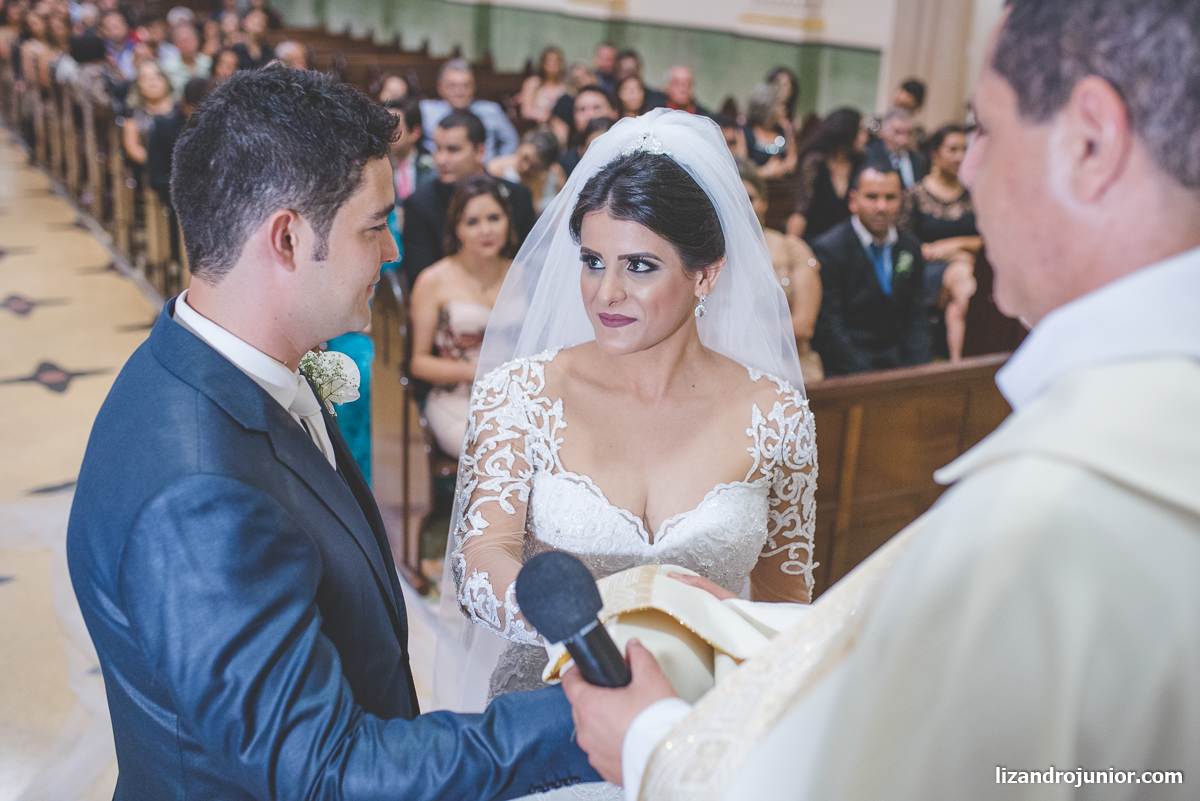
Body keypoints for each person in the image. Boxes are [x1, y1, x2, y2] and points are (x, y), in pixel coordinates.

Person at [568, 3, 1200, 799]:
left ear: (1090, 144)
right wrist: (749, 624)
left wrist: (652, 743)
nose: (965, 170)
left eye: (985, 131)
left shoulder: (1047, 513)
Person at [66, 65, 597, 801]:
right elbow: (327, 770)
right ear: (286, 237)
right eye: (375, 226)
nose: (393, 253)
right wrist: (581, 717)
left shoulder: (202, 360)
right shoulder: (200, 494)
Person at [432, 111, 816, 801]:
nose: (606, 293)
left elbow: (788, 603)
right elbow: (479, 559)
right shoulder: (520, 393)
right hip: (548, 715)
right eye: (592, 261)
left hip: (700, 728)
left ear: (707, 274)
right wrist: (599, 616)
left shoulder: (776, 415)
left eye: (639, 266)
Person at [409, 176, 516, 456]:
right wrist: (476, 371)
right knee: (494, 453)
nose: (486, 230)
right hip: (455, 401)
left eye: (494, 218)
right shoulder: (433, 280)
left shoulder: (523, 275)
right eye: (472, 222)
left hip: (516, 400)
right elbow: (418, 362)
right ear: (457, 228)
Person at [808, 163, 930, 375]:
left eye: (890, 197)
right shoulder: (829, 249)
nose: (881, 206)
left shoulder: (910, 246)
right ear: (853, 201)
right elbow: (830, 327)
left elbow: (917, 316)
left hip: (898, 360)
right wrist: (870, 377)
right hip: (847, 366)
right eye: (872, 197)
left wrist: (916, 369)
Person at [402, 109, 535, 286]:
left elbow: (531, 263)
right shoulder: (420, 204)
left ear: (480, 151)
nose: (441, 159)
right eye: (438, 148)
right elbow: (419, 277)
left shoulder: (517, 196)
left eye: (453, 150)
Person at [900, 124, 981, 362]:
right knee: (961, 274)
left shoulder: (972, 195)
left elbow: (987, 241)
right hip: (926, 272)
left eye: (964, 149)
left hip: (968, 269)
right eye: (953, 149)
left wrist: (954, 246)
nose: (960, 156)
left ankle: (958, 368)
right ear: (935, 154)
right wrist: (956, 255)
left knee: (957, 310)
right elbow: (908, 246)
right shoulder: (915, 195)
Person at [739, 160, 822, 384]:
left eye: (750, 198)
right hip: (731, 367)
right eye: (733, 198)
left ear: (764, 202)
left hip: (791, 363)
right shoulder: (708, 257)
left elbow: (804, 325)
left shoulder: (792, 248)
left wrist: (736, 334)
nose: (742, 206)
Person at [786, 107, 867, 241]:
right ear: (847, 132)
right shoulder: (815, 161)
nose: (865, 137)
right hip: (815, 239)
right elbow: (801, 210)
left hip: (845, 241)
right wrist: (792, 246)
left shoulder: (860, 162)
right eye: (861, 131)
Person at [420, 58, 518, 162]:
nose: (460, 92)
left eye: (466, 85)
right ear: (440, 87)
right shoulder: (425, 110)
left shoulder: (491, 110)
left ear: (474, 87)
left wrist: (500, 165)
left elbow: (511, 140)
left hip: (483, 172)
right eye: (453, 86)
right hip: (439, 171)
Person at [488, 129, 565, 215]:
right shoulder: (496, 170)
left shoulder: (555, 174)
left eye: (535, 167)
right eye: (525, 158)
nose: (525, 168)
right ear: (520, 145)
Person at [121, 60, 177, 168]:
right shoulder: (133, 113)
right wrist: (159, 162)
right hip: (150, 171)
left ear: (166, 80)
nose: (152, 82)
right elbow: (132, 148)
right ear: (138, 85)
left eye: (157, 76)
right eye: (145, 78)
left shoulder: (180, 107)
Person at [741, 82, 796, 179]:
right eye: (781, 105)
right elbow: (742, 170)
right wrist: (768, 171)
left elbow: (792, 163)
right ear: (768, 107)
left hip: (782, 188)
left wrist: (780, 168)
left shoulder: (783, 131)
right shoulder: (746, 131)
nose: (785, 109)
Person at [558, 86, 616, 176]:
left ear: (613, 112)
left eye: (596, 107)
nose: (590, 115)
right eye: (582, 109)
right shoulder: (565, 162)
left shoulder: (630, 149)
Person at [865, 107, 928, 189]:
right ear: (884, 132)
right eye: (898, 132)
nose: (904, 140)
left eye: (908, 133)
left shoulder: (919, 159)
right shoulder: (870, 156)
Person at [519, 45, 566, 125]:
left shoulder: (565, 87)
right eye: (549, 61)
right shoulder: (533, 83)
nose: (553, 64)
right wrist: (541, 116)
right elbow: (526, 112)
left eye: (556, 61)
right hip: (535, 126)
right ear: (543, 63)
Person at [160, 21, 210, 95]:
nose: (187, 44)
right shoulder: (167, 67)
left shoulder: (207, 63)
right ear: (176, 45)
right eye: (183, 41)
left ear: (197, 41)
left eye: (190, 40)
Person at [99, 9, 134, 79]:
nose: (114, 31)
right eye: (108, 27)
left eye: (116, 26)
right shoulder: (100, 50)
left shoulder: (136, 48)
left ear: (125, 26)